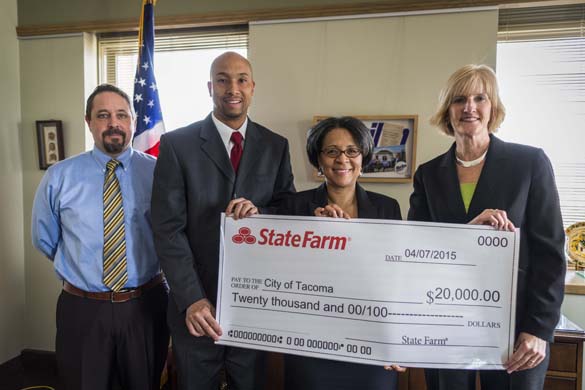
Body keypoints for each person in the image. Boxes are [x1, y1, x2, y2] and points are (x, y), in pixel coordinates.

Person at [408, 64, 565, 390]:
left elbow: (550, 254)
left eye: (480, 98)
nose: (469, 107)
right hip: (445, 329)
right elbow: (417, 254)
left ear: (492, 107)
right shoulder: (428, 174)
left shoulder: (529, 164)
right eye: (459, 99)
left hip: (518, 333)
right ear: (447, 111)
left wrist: (538, 330)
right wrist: (469, 232)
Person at [151, 51, 295, 390]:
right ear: (209, 87)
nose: (233, 88)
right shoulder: (176, 145)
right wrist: (192, 299)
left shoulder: (276, 146)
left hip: (255, 304)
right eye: (222, 79)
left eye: (241, 79)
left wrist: (261, 215)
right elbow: (167, 228)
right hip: (197, 307)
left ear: (253, 87)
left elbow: (287, 211)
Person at [31, 84, 169, 390]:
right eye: (103, 115)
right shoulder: (60, 176)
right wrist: (83, 264)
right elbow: (44, 239)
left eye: (122, 115)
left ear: (133, 121)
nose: (113, 123)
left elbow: (172, 233)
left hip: (145, 306)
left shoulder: (160, 173)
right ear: (89, 122)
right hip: (83, 308)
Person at [278, 116, 404, 390]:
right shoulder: (294, 207)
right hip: (311, 345)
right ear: (319, 160)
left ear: (363, 156)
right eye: (332, 151)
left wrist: (399, 337)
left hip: (372, 343)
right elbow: (279, 271)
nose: (342, 159)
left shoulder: (388, 208)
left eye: (352, 151)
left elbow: (396, 279)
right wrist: (316, 233)